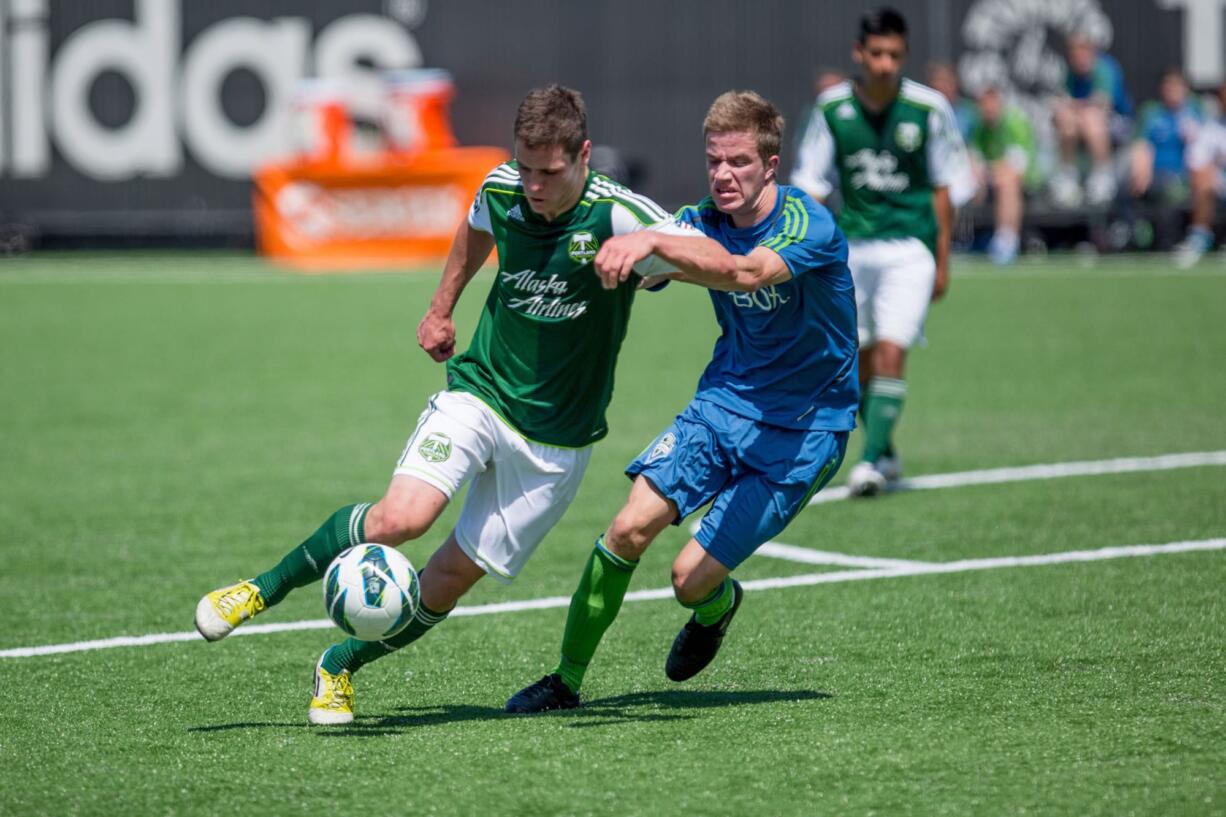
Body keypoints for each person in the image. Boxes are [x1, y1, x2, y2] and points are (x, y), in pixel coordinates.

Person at [193, 84, 729, 726]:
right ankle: (257, 591)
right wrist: (441, 308)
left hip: (557, 443)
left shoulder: (618, 212)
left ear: (583, 155)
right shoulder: (503, 187)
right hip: (481, 393)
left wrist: (652, 246)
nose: (533, 184)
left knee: (444, 582)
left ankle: (338, 665)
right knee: (401, 520)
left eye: (549, 172)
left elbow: (716, 259)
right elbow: (476, 228)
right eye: (526, 167)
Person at [505, 90, 859, 712]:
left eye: (740, 162)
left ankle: (716, 608)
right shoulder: (700, 219)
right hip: (722, 406)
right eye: (714, 160)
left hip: (805, 430)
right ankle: (565, 680)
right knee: (626, 529)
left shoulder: (810, 225)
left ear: (771, 166)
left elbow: (744, 273)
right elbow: (657, 259)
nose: (724, 175)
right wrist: (633, 252)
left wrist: (654, 246)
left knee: (688, 580)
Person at [792, 6, 974, 497]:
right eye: (877, 53)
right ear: (859, 53)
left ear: (904, 55)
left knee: (893, 349)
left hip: (909, 250)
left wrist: (941, 258)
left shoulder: (928, 109)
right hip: (850, 251)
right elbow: (810, 187)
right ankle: (886, 446)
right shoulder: (832, 109)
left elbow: (944, 187)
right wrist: (807, 258)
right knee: (859, 361)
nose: (886, 63)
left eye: (895, 54)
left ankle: (869, 461)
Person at [1050, 33, 1133, 208]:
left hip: (1118, 125)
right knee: (1066, 118)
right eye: (1073, 54)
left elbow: (1102, 105)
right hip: (1082, 122)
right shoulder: (1069, 73)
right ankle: (1067, 175)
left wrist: (1073, 107)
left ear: (1091, 52)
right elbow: (1060, 104)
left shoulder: (1105, 68)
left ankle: (1102, 174)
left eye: (1082, 52)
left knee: (1091, 117)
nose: (1078, 58)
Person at [1128, 69, 1203, 249]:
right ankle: (1133, 237)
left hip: (1184, 176)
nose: (1172, 90)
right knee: (1130, 185)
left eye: (1176, 86)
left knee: (1170, 189)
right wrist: (1141, 170)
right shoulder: (1152, 112)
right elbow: (1141, 145)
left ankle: (1170, 242)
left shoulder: (1195, 111)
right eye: (1168, 86)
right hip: (1155, 174)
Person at [969, 84, 1038, 265]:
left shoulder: (1015, 123)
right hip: (990, 180)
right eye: (983, 105)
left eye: (991, 104)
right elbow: (973, 157)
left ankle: (1006, 240)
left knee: (1006, 181)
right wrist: (977, 172)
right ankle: (957, 238)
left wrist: (986, 172)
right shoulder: (979, 127)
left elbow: (1017, 165)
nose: (988, 109)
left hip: (1027, 179)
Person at [1173, 81, 1226, 268]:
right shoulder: (1210, 128)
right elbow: (1197, 162)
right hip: (1220, 183)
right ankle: (1199, 237)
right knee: (1204, 181)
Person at [926, 60, 977, 144]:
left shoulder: (970, 112)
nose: (942, 86)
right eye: (938, 82)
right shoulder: (923, 112)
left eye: (946, 82)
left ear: (955, 84)